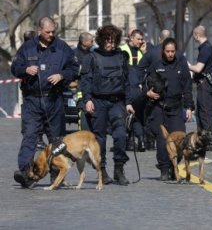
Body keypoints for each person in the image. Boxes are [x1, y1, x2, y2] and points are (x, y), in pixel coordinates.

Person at [11, 16, 79, 188]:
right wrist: (25, 69)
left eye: (53, 31)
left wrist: (62, 75)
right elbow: (15, 68)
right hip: (32, 100)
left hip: (54, 100)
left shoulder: (62, 47)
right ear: (39, 30)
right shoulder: (27, 48)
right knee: (30, 136)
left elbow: (74, 68)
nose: (51, 35)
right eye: (47, 32)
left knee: (56, 140)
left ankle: (57, 177)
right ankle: (26, 174)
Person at [80, 24, 135, 185]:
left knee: (120, 135)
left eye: (113, 41)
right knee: (100, 139)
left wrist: (129, 102)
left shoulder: (121, 57)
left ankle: (119, 169)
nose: (110, 44)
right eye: (107, 41)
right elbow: (85, 81)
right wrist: (87, 99)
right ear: (101, 40)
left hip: (117, 101)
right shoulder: (91, 57)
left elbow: (127, 82)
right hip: (98, 101)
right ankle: (102, 171)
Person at [144, 37, 194, 181]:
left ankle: (174, 166)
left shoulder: (181, 64)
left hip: (176, 107)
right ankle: (164, 169)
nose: (170, 54)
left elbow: (187, 87)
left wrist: (189, 107)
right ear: (163, 51)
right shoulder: (156, 64)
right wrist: (148, 92)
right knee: (162, 140)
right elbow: (147, 81)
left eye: (173, 51)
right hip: (159, 107)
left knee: (181, 139)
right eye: (168, 51)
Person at [189, 25, 212, 151]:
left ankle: (209, 139)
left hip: (205, 84)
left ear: (197, 35)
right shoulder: (206, 47)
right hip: (203, 83)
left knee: (206, 112)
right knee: (201, 112)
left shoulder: (205, 49)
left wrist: (187, 65)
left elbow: (198, 68)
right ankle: (202, 139)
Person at [120, 29, 146, 152]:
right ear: (131, 38)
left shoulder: (141, 51)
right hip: (129, 86)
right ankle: (137, 140)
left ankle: (134, 141)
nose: (141, 41)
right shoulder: (123, 50)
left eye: (142, 39)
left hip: (136, 88)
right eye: (139, 39)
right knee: (132, 116)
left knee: (133, 116)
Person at [74, 32, 94, 131]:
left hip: (89, 89)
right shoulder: (74, 55)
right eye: (91, 41)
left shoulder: (92, 54)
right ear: (85, 42)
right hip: (79, 89)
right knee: (82, 113)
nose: (93, 42)